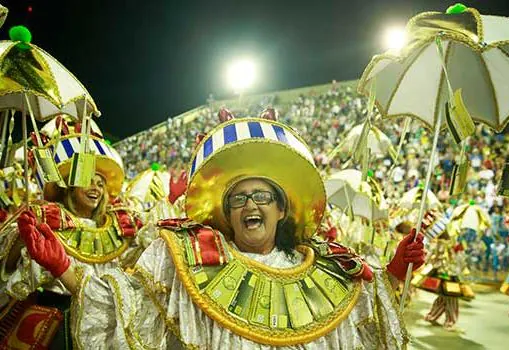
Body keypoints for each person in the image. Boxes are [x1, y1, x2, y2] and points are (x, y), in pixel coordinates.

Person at [17, 110, 425, 349]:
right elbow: (124, 305)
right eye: (238, 198)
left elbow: (366, 319)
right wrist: (63, 267)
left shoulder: (329, 267)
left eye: (262, 197)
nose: (250, 205)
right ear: (225, 213)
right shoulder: (183, 257)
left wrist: (392, 272)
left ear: (282, 209)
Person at [0, 118, 152, 349]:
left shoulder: (119, 226)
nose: (96, 188)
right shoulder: (47, 218)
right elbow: (9, 269)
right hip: (52, 323)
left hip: (101, 324)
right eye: (88, 181)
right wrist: (23, 238)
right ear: (70, 186)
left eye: (100, 184)